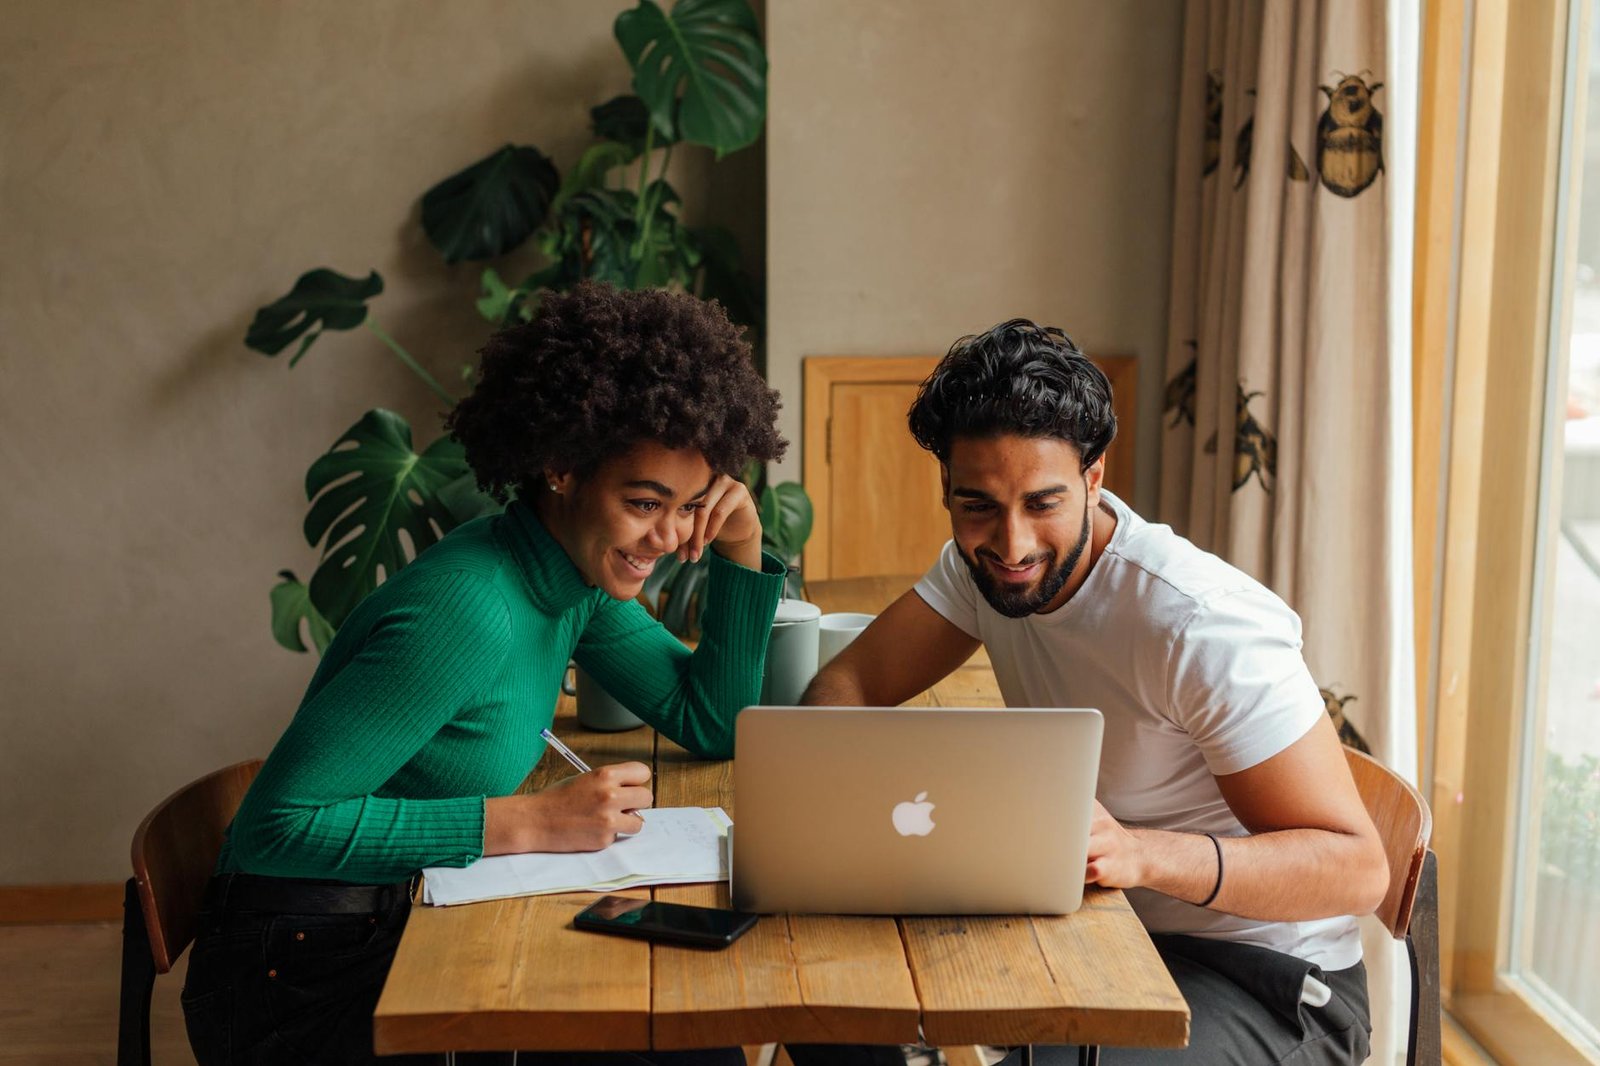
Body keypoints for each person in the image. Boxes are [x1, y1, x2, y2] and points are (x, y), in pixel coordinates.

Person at [182, 282, 789, 1066]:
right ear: (562, 468)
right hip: (301, 980)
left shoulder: (570, 577)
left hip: (414, 918)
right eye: (646, 503)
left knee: (683, 1027)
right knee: (673, 1040)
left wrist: (741, 544)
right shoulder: (469, 610)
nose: (669, 536)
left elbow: (709, 719)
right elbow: (277, 826)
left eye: (690, 506)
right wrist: (529, 822)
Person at [787, 319, 1388, 1065]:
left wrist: (1141, 854)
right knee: (824, 1002)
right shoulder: (979, 568)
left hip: (1269, 985)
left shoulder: (1197, 622)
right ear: (946, 486)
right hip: (1101, 932)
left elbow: (1357, 868)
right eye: (977, 506)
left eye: (1043, 504)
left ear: (1094, 476)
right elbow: (849, 682)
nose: (1011, 546)